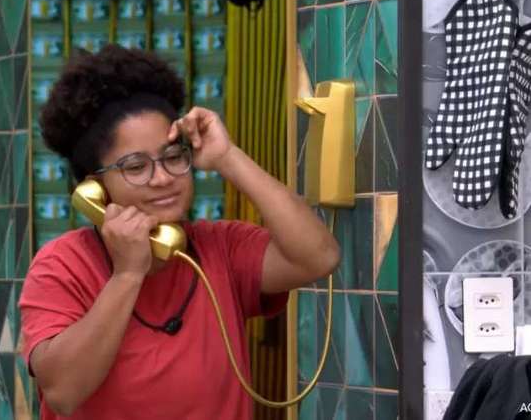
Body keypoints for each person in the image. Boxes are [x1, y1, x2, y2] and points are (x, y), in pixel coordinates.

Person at [18, 44, 339, 419]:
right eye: (136, 167)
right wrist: (127, 275)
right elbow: (63, 392)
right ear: (95, 187)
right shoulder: (62, 265)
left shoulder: (219, 248)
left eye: (173, 157)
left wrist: (227, 157)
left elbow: (319, 257)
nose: (163, 178)